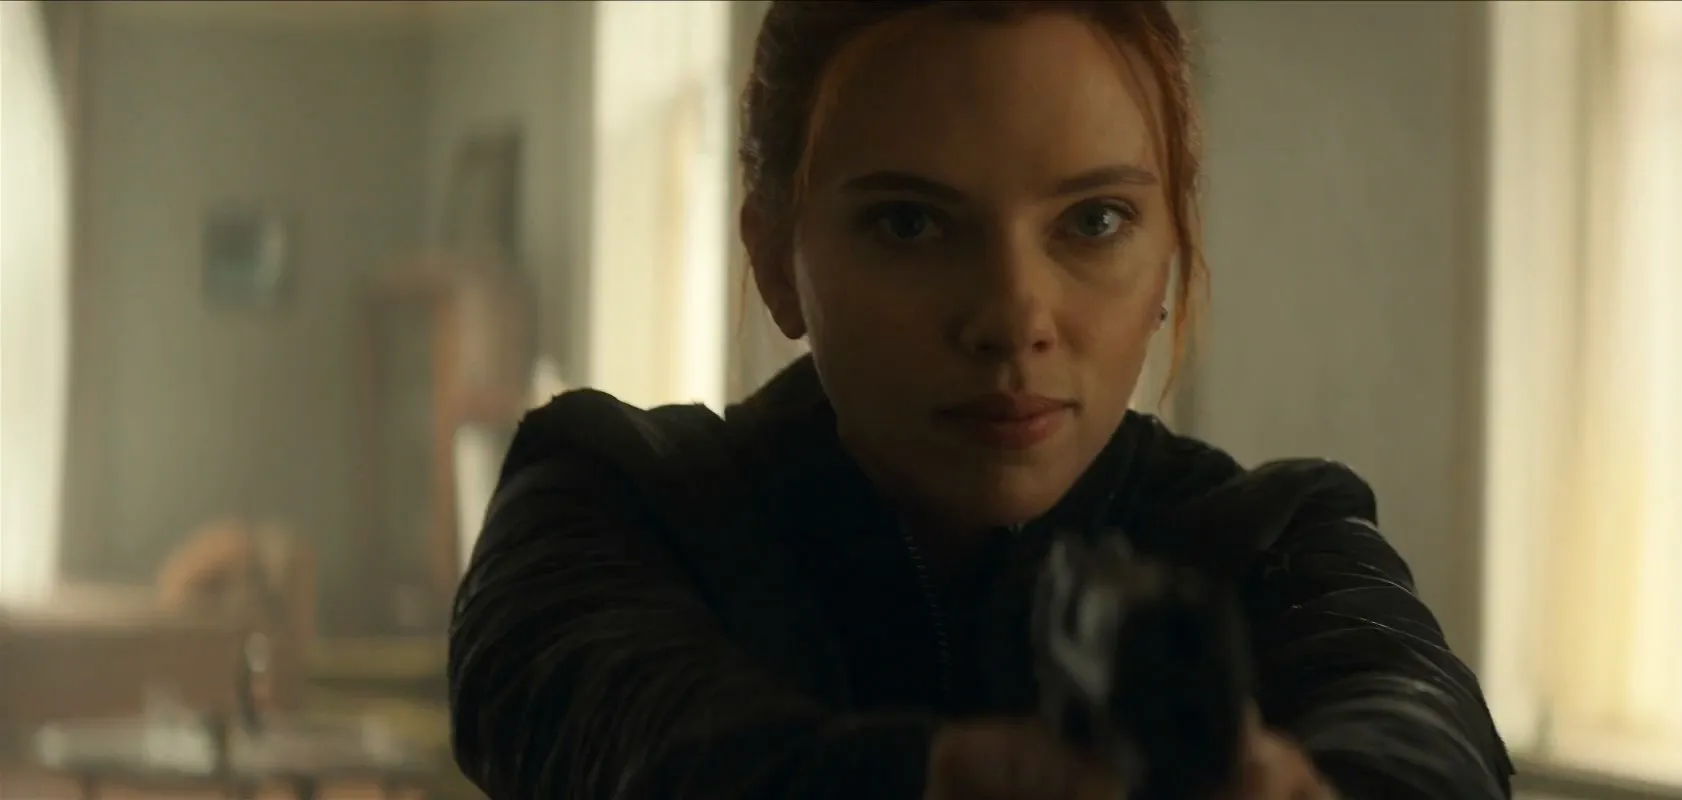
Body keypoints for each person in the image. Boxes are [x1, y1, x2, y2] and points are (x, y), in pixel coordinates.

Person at [448, 2, 1514, 798]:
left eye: (1093, 221)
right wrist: (930, 780)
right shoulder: (614, 496)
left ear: (1170, 255)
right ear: (775, 256)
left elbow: (1423, 727)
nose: (1013, 315)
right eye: (911, 224)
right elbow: (623, 732)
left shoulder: (1279, 537)